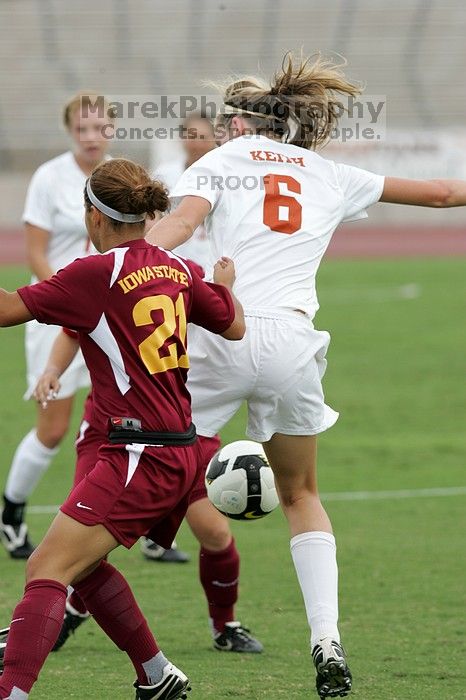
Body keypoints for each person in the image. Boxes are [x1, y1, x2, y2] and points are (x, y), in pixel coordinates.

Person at [145, 53, 466, 698]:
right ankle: (328, 645)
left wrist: (126, 259)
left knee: (136, 469)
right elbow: (443, 193)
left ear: (239, 125)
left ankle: (61, 598)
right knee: (301, 495)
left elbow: (179, 225)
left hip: (224, 331)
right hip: (292, 343)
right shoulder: (327, 172)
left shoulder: (223, 160)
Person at [0, 157, 245, 700]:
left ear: (94, 217)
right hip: (172, 447)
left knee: (45, 567)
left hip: (142, 450)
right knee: (82, 564)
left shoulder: (95, 272)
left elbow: (8, 309)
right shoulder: (173, 265)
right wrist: (224, 286)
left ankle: (12, 693)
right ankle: (156, 675)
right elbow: (234, 325)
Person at [0, 92, 115, 559]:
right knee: (52, 428)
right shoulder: (50, 178)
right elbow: (36, 254)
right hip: (56, 313)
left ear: (111, 129)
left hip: (111, 314)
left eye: (99, 127)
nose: (91, 137)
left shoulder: (119, 176)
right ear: (70, 131)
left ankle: (133, 522)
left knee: (121, 416)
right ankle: (11, 512)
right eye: (81, 129)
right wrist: (69, 301)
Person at [142, 110, 217, 563]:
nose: (195, 142)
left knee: (192, 408)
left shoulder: (225, 174)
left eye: (202, 135)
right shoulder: (169, 180)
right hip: (169, 295)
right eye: (188, 135)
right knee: (176, 403)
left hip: (205, 296)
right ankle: (156, 524)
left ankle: (158, 525)